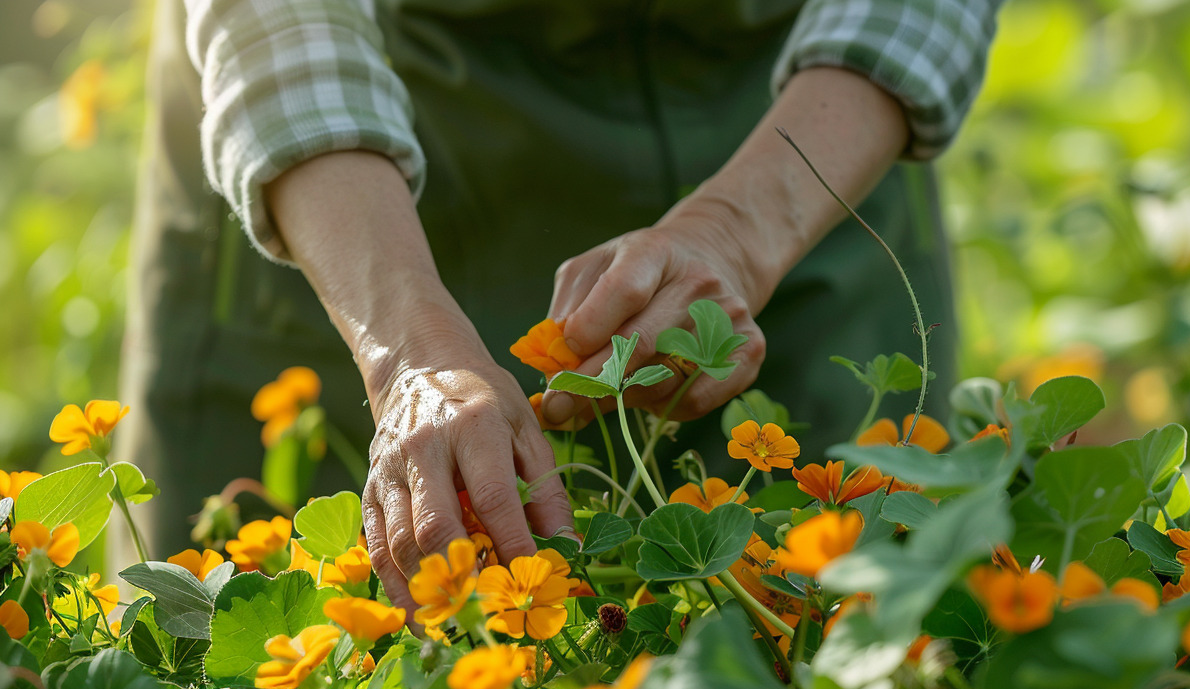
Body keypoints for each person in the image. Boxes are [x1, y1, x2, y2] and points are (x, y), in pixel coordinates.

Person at [118, 0, 1000, 613]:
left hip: (807, 137)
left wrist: (742, 228)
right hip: (352, 176)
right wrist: (408, 351)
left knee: (819, 640)